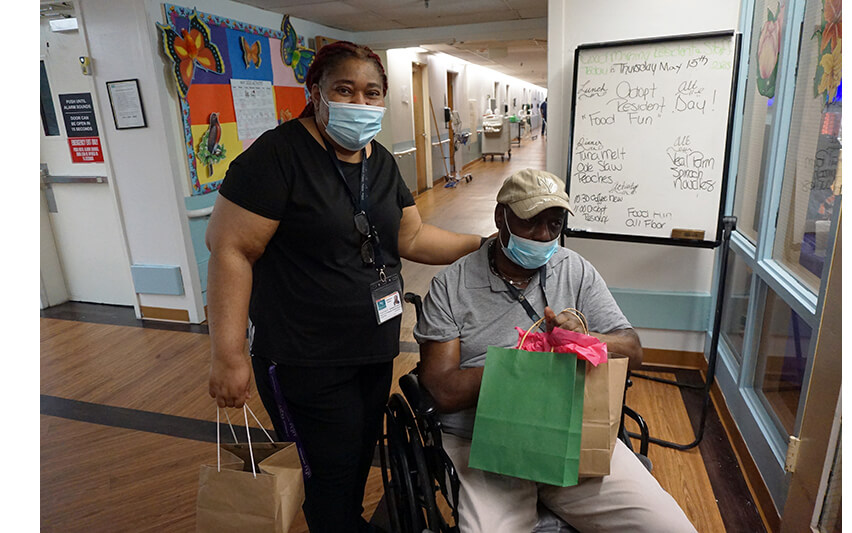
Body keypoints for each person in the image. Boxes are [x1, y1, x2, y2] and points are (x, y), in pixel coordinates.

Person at [205, 41, 483, 533]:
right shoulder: (278, 156)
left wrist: (482, 244)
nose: (360, 102)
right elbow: (231, 251)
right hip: (303, 358)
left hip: (371, 351)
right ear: (316, 94)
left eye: (371, 93)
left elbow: (411, 235)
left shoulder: (378, 161)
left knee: (355, 459)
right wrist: (227, 356)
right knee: (327, 476)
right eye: (344, 90)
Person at [413, 169, 697, 532]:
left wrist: (588, 337)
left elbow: (633, 350)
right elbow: (442, 389)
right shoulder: (452, 286)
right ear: (501, 216)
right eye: (531, 222)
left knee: (669, 527)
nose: (544, 236)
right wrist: (520, 371)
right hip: (482, 440)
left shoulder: (574, 270)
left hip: (569, 432)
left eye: (554, 223)